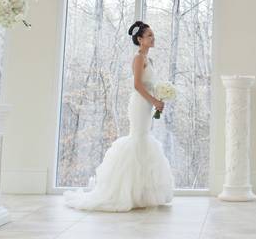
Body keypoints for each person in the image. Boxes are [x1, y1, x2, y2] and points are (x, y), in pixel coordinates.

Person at [64, 21, 174, 211]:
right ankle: (125, 192)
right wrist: (154, 101)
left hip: (148, 103)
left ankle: (141, 193)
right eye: (149, 35)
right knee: (138, 138)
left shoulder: (150, 59)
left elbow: (150, 84)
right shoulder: (139, 58)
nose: (152, 38)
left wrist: (159, 98)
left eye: (152, 35)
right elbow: (137, 85)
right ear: (139, 39)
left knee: (144, 140)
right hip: (140, 103)